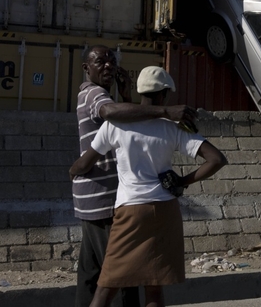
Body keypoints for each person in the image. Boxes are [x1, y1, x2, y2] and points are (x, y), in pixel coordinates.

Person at [69, 66, 228, 307]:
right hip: (165, 211)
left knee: (106, 289)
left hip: (130, 211)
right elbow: (216, 159)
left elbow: (86, 162)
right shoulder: (173, 127)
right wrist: (182, 181)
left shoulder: (115, 125)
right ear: (163, 94)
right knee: (154, 290)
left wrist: (73, 171)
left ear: (140, 92)